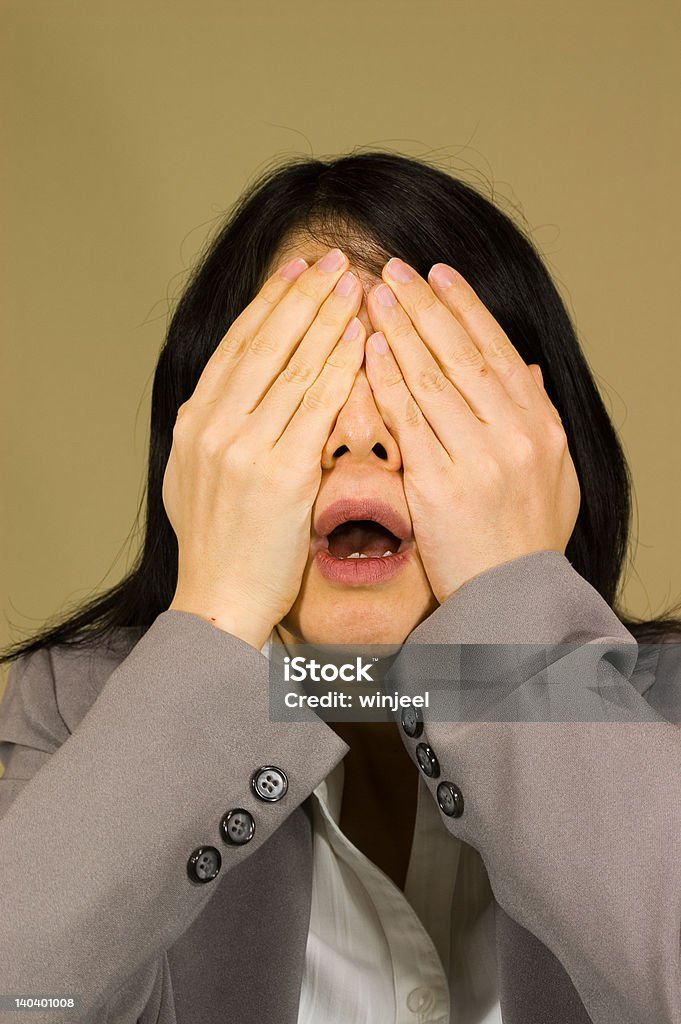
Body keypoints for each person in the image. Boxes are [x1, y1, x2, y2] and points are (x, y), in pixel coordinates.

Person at [1, 151, 681, 1024]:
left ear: (536, 444)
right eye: (295, 383)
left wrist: (517, 620)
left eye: (420, 382)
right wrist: (215, 615)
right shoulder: (79, 706)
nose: (358, 439)